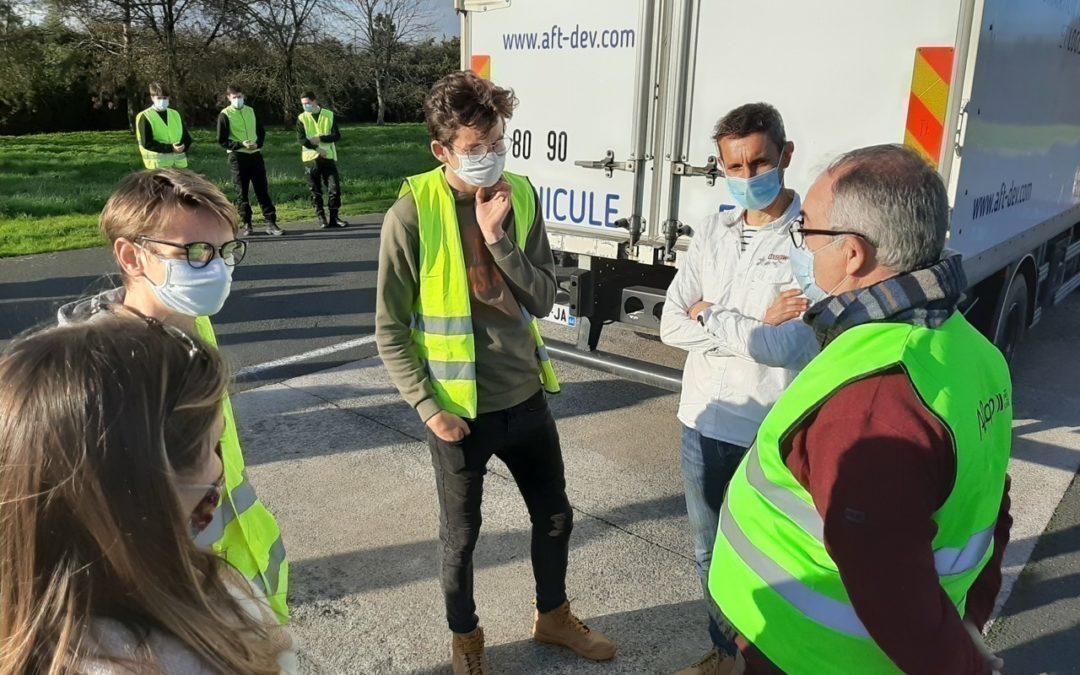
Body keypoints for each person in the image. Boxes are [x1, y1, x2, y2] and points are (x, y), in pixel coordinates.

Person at [708, 144, 1013, 675]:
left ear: (853, 255)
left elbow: (895, 591)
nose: (799, 247)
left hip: (811, 657)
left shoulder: (874, 402)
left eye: (806, 231)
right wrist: (972, 617)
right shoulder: (969, 349)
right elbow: (992, 498)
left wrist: (967, 667)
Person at [375, 70, 616, 675]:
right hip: (459, 414)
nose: (489, 158)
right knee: (461, 539)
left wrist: (496, 237)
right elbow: (389, 328)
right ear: (442, 149)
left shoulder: (520, 195)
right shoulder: (411, 214)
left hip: (525, 397)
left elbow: (541, 297)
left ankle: (553, 616)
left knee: (555, 515)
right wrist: (430, 409)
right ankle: (466, 638)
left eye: (498, 143)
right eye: (474, 149)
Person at [57, 168, 291, 623]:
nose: (217, 267)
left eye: (226, 251)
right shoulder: (93, 378)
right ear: (131, 255)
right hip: (175, 612)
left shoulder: (189, 324)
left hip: (242, 582)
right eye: (195, 252)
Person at [0, 317, 297, 674]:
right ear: (143, 494)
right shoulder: (212, 649)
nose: (221, 468)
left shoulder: (25, 633)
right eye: (211, 448)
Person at [659, 102, 819, 675]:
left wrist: (711, 315)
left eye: (760, 163)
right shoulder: (715, 229)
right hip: (702, 419)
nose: (749, 177)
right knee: (708, 555)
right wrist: (751, 323)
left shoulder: (810, 244)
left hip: (769, 431)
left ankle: (762, 662)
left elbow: (790, 348)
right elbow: (668, 322)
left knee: (767, 559)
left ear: (786, 156)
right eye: (736, 166)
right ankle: (725, 655)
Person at [218, 84, 283, 237]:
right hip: (238, 156)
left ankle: (271, 222)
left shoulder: (251, 111)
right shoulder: (225, 114)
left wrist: (258, 144)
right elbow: (222, 140)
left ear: (244, 96)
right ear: (229, 98)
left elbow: (261, 132)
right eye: (234, 97)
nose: (238, 100)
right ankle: (247, 223)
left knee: (262, 190)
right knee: (242, 192)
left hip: (255, 155)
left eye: (240, 97)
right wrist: (240, 144)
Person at [297, 90, 348, 229]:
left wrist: (321, 139)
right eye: (303, 104)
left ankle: (334, 217)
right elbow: (301, 139)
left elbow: (336, 135)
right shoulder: (302, 118)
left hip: (328, 157)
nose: (305, 106)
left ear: (315, 101)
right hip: (310, 158)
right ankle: (321, 217)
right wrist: (317, 149)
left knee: (334, 188)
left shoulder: (328, 115)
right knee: (315, 190)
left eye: (307, 103)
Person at [135, 82, 192, 169]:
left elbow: (186, 137)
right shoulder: (144, 116)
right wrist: (170, 148)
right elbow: (147, 143)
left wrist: (184, 145)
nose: (162, 101)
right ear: (152, 98)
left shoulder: (175, 114)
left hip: (179, 165)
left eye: (165, 98)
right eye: (159, 98)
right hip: (158, 166)